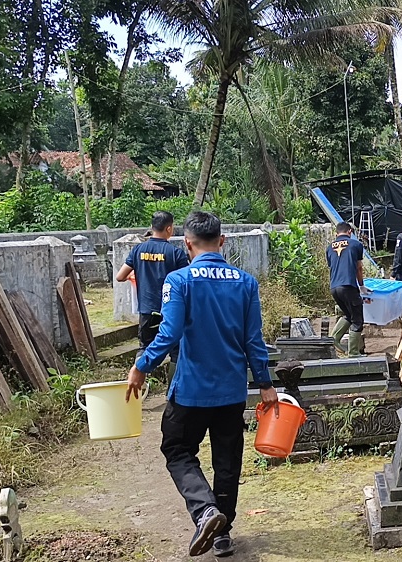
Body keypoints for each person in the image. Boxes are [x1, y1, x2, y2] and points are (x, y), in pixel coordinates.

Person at [125, 211, 278, 558]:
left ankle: (205, 510)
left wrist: (141, 365)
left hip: (191, 391)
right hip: (231, 391)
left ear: (187, 244)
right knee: (227, 460)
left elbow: (169, 333)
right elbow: (254, 341)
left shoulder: (179, 281)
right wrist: (265, 384)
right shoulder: (246, 283)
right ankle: (222, 535)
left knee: (177, 449)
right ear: (222, 241)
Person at [116, 211, 190, 360]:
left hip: (146, 310)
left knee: (145, 349)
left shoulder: (138, 250)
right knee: (176, 352)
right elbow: (187, 282)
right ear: (169, 228)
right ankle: (173, 375)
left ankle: (140, 373)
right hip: (170, 311)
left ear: (152, 227)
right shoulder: (176, 253)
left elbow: (120, 276)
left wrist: (135, 275)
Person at [326, 222, 369, 356]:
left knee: (349, 315)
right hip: (348, 286)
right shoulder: (356, 244)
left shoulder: (329, 248)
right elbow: (358, 267)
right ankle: (354, 352)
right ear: (350, 231)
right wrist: (361, 286)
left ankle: (334, 339)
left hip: (334, 288)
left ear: (336, 233)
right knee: (357, 320)